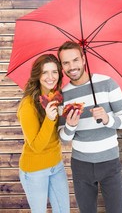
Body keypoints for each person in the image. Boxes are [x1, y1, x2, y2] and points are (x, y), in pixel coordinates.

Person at [58, 41, 122, 213]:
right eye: (66, 63)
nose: (72, 66)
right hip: (81, 165)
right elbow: (63, 138)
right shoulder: (62, 95)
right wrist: (70, 126)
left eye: (75, 60)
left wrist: (108, 119)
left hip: (110, 163)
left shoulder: (107, 83)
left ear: (83, 59)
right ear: (62, 66)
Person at [17, 54, 70, 213]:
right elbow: (37, 145)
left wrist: (69, 119)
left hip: (56, 165)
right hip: (34, 170)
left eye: (54, 72)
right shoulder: (27, 105)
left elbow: (58, 134)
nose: (50, 77)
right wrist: (49, 118)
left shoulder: (56, 96)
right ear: (37, 75)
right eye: (45, 72)